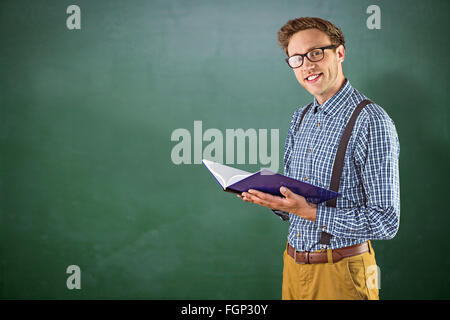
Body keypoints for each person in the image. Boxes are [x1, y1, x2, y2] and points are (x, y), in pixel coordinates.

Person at [237, 17, 400, 300]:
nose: (307, 65)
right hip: (292, 266)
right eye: (296, 59)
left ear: (339, 53)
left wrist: (310, 212)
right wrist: (273, 200)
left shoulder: (372, 121)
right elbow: (298, 203)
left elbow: (385, 221)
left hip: (341, 273)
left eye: (315, 53)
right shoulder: (300, 118)